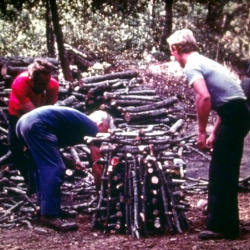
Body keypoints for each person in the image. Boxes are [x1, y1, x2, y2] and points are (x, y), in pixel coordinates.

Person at [167, 29, 250, 240]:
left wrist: (201, 133)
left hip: (235, 114)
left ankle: (223, 227)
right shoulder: (205, 61)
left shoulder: (193, 65)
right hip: (236, 113)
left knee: (221, 170)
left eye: (171, 52)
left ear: (175, 49)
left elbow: (204, 98)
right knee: (224, 168)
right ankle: (227, 222)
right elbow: (229, 99)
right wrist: (215, 132)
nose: (172, 57)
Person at [16, 105, 113, 231]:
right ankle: (49, 215)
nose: (104, 137)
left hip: (23, 124)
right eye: (106, 131)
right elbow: (98, 166)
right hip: (35, 124)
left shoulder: (79, 123)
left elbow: (50, 147)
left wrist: (71, 163)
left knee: (43, 167)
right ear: (100, 124)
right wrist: (101, 193)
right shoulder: (93, 128)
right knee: (55, 168)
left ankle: (44, 209)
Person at [8, 59, 59, 187]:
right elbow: (32, 114)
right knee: (16, 149)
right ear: (32, 79)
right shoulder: (20, 83)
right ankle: (28, 180)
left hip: (39, 112)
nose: (46, 86)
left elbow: (47, 111)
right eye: (42, 83)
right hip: (18, 114)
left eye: (47, 81)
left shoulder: (53, 85)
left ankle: (43, 180)